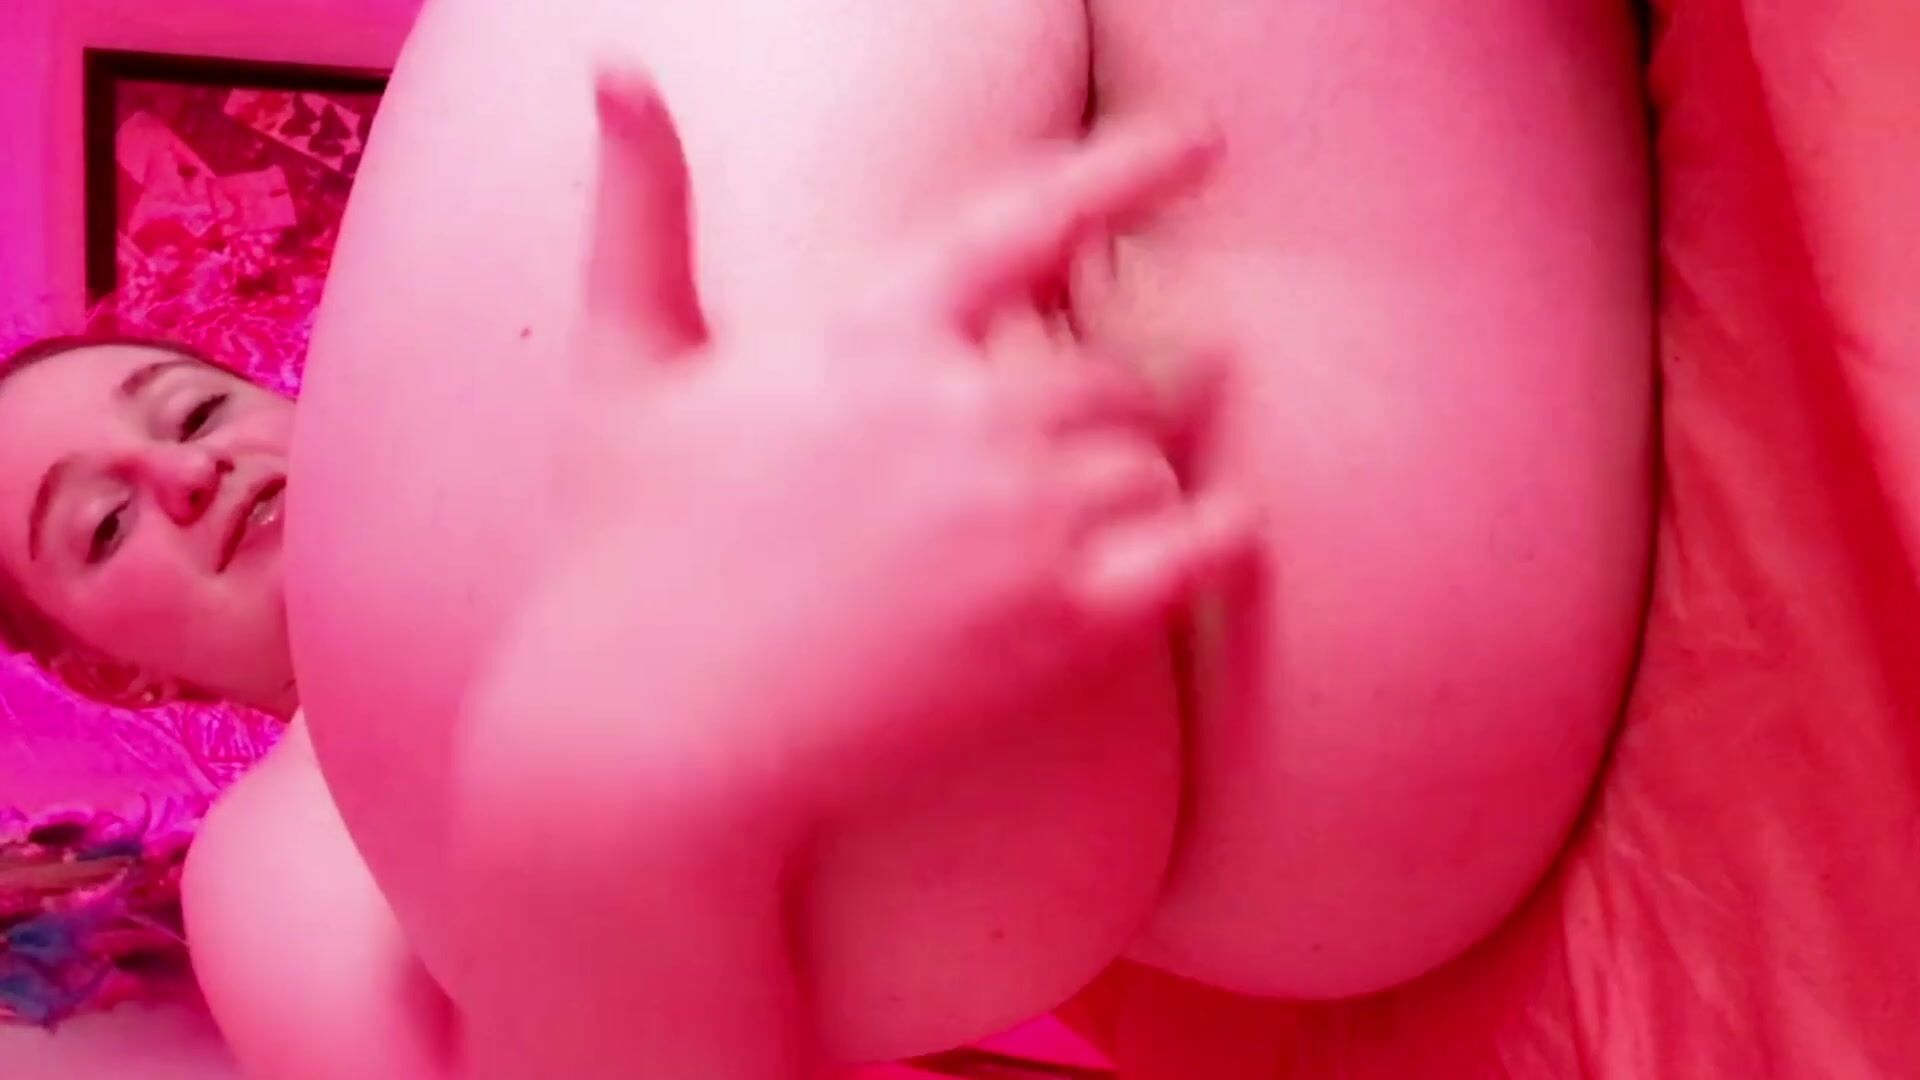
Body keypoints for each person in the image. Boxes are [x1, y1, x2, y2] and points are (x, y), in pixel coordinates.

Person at [0, 0, 1653, 1076]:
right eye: (103, 518)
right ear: (117, 674)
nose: (184, 472)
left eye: (187, 408)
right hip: (1239, 709)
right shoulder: (279, 856)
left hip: (1269, 516)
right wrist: (624, 757)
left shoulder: (436, 358)